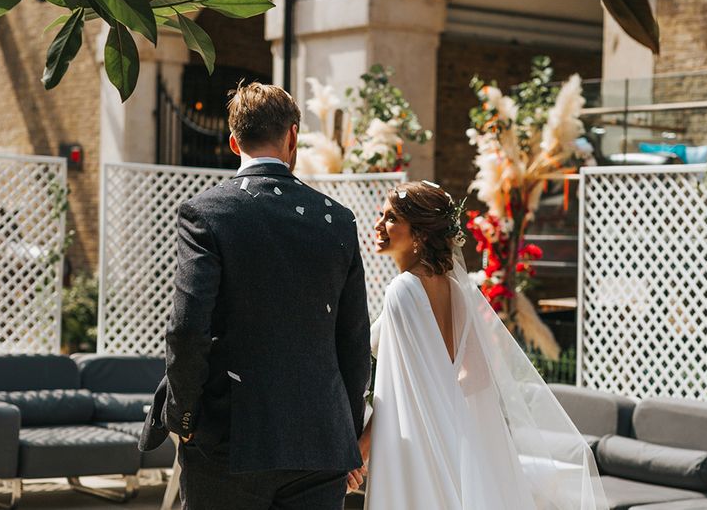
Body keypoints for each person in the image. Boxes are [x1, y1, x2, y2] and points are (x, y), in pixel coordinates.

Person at [140, 82, 371, 510]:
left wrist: (185, 417)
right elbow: (354, 340)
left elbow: (188, 328)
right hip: (319, 440)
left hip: (232, 438)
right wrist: (347, 437)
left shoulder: (207, 212)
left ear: (233, 141)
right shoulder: (338, 220)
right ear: (293, 136)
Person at [353, 180, 607, 510]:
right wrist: (447, 406)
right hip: (454, 440)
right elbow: (478, 377)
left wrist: (362, 449)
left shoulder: (403, 290)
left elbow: (396, 390)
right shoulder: (458, 292)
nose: (378, 225)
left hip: (416, 445)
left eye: (390, 218)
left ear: (420, 235)